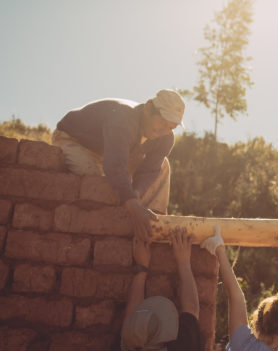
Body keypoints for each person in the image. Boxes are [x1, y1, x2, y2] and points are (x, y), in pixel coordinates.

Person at [52, 89, 185, 241]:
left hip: (111, 150)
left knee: (163, 166)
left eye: (171, 127)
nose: (164, 130)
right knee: (93, 184)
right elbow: (115, 165)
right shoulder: (123, 119)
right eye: (162, 121)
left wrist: (136, 194)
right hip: (76, 141)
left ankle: (154, 224)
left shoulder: (165, 138)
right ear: (148, 108)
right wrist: (132, 203)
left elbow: (149, 170)